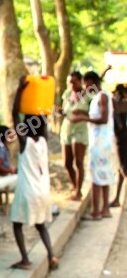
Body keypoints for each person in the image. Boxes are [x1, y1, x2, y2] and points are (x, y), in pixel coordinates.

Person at [9, 77, 59, 271]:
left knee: (16, 224)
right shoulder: (43, 142)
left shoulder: (25, 143)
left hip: (27, 191)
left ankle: (25, 259)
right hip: (43, 191)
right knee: (41, 226)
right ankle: (52, 256)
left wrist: (21, 90)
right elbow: (44, 119)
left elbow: (14, 114)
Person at [68, 71, 116, 220]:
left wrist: (83, 117)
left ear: (91, 82)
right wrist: (83, 114)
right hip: (101, 142)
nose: (85, 87)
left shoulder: (102, 96)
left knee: (96, 178)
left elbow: (103, 118)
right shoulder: (98, 97)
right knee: (103, 175)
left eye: (86, 84)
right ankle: (105, 209)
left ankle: (96, 212)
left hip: (101, 143)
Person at [59, 71, 89, 200]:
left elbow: (95, 115)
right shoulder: (67, 94)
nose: (71, 84)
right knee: (67, 162)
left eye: (74, 82)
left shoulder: (88, 96)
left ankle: (78, 191)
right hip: (66, 129)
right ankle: (74, 186)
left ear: (80, 82)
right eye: (69, 82)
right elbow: (64, 111)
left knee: (79, 161)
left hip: (80, 130)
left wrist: (82, 113)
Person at [111, 84, 127, 207]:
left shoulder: (119, 105)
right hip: (119, 139)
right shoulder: (116, 104)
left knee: (123, 169)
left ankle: (116, 198)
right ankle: (116, 198)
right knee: (120, 169)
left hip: (122, 140)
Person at [0, 125, 18, 191]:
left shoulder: (4, 148)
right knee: (22, 177)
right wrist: (11, 170)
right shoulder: (0, 148)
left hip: (0, 178)